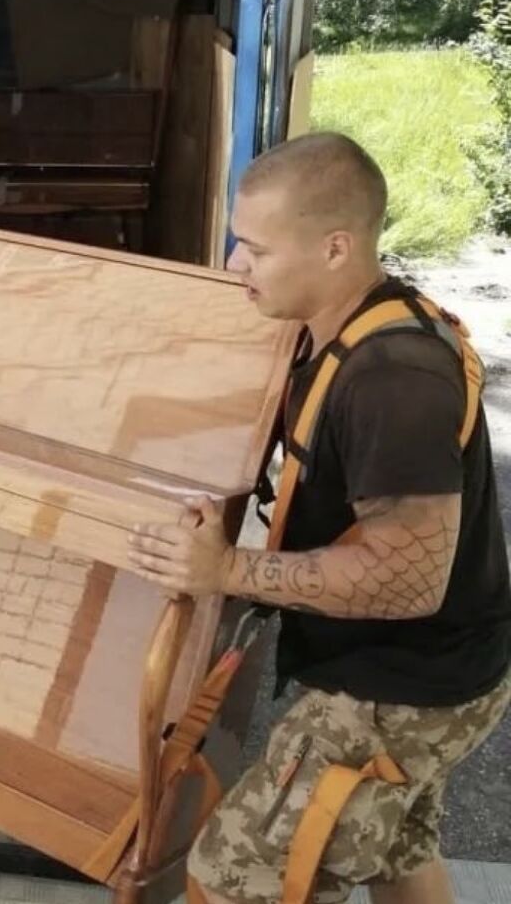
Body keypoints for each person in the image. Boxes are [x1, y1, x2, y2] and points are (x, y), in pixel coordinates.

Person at [124, 132, 511, 904]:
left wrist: (226, 569)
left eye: (257, 249)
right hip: (447, 665)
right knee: (395, 848)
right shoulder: (346, 323)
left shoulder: (395, 381)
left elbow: (408, 581)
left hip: (405, 687)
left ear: (336, 248)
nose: (235, 263)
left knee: (235, 877)